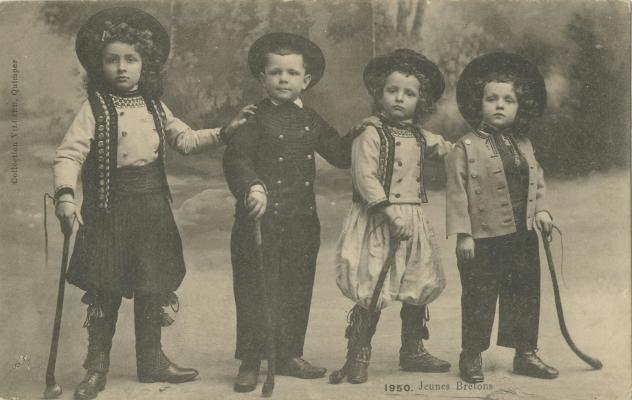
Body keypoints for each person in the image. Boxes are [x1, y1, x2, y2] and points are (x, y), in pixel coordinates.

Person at [53, 7, 252, 400]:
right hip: (108, 210)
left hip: (152, 209)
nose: (121, 68)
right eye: (112, 60)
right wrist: (65, 196)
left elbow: (186, 140)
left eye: (131, 59)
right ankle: (96, 367)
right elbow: (69, 155)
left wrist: (225, 132)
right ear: (99, 65)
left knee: (152, 284)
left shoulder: (154, 106)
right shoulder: (94, 108)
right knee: (105, 286)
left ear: (145, 64)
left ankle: (152, 361)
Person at [223, 32, 367, 393]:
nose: (283, 79)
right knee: (256, 288)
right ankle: (250, 360)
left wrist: (360, 133)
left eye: (291, 73)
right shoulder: (254, 118)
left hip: (301, 219)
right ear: (262, 78)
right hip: (260, 219)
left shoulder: (310, 119)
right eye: (275, 72)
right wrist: (251, 187)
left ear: (306, 80)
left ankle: (288, 354)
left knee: (296, 287)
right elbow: (236, 159)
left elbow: (338, 153)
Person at [333, 49, 453, 384]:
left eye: (409, 93)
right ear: (379, 94)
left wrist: (469, 148)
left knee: (417, 279)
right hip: (377, 217)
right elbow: (365, 177)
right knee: (373, 282)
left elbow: (447, 148)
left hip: (412, 217)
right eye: (393, 90)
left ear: (420, 100)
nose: (400, 98)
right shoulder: (369, 132)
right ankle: (358, 352)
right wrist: (388, 212)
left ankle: (412, 350)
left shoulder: (419, 135)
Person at [446, 52, 557, 384]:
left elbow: (537, 179)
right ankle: (471, 353)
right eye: (491, 98)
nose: (499, 105)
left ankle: (525, 353)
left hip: (523, 234)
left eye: (508, 100)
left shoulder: (524, 143)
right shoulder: (465, 147)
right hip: (483, 238)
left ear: (519, 106)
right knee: (479, 296)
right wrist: (463, 234)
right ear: (478, 103)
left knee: (525, 292)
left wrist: (541, 210)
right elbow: (456, 194)